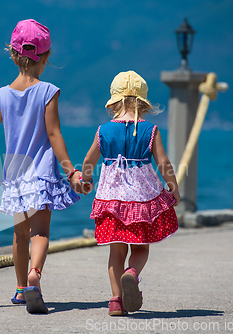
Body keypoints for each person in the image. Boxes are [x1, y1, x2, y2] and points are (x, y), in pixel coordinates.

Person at [0, 19, 88, 314]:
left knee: (19, 234)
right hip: (41, 174)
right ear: (47, 57)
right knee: (40, 232)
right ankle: (35, 275)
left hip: (14, 177)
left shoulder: (2, 94)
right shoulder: (48, 91)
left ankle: (20, 289)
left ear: (12, 55)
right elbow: (54, 135)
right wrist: (71, 172)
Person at [81, 71, 180, 315]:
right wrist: (174, 188)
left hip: (111, 201)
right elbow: (164, 162)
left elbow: (88, 161)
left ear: (114, 102)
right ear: (142, 102)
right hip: (141, 202)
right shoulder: (150, 130)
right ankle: (132, 273)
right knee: (141, 248)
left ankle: (116, 301)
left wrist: (85, 179)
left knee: (116, 252)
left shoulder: (103, 130)